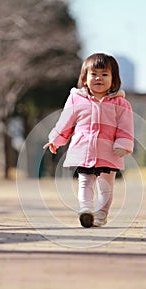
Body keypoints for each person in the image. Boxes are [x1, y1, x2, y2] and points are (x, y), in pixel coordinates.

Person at [43, 53, 134, 228]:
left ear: (114, 79)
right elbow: (65, 122)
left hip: (109, 152)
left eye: (105, 74)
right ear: (85, 78)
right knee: (85, 182)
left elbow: (125, 127)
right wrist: (55, 139)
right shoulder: (76, 99)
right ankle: (85, 210)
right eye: (94, 74)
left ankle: (100, 214)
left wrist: (123, 143)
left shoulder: (120, 104)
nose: (99, 78)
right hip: (83, 149)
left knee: (106, 187)